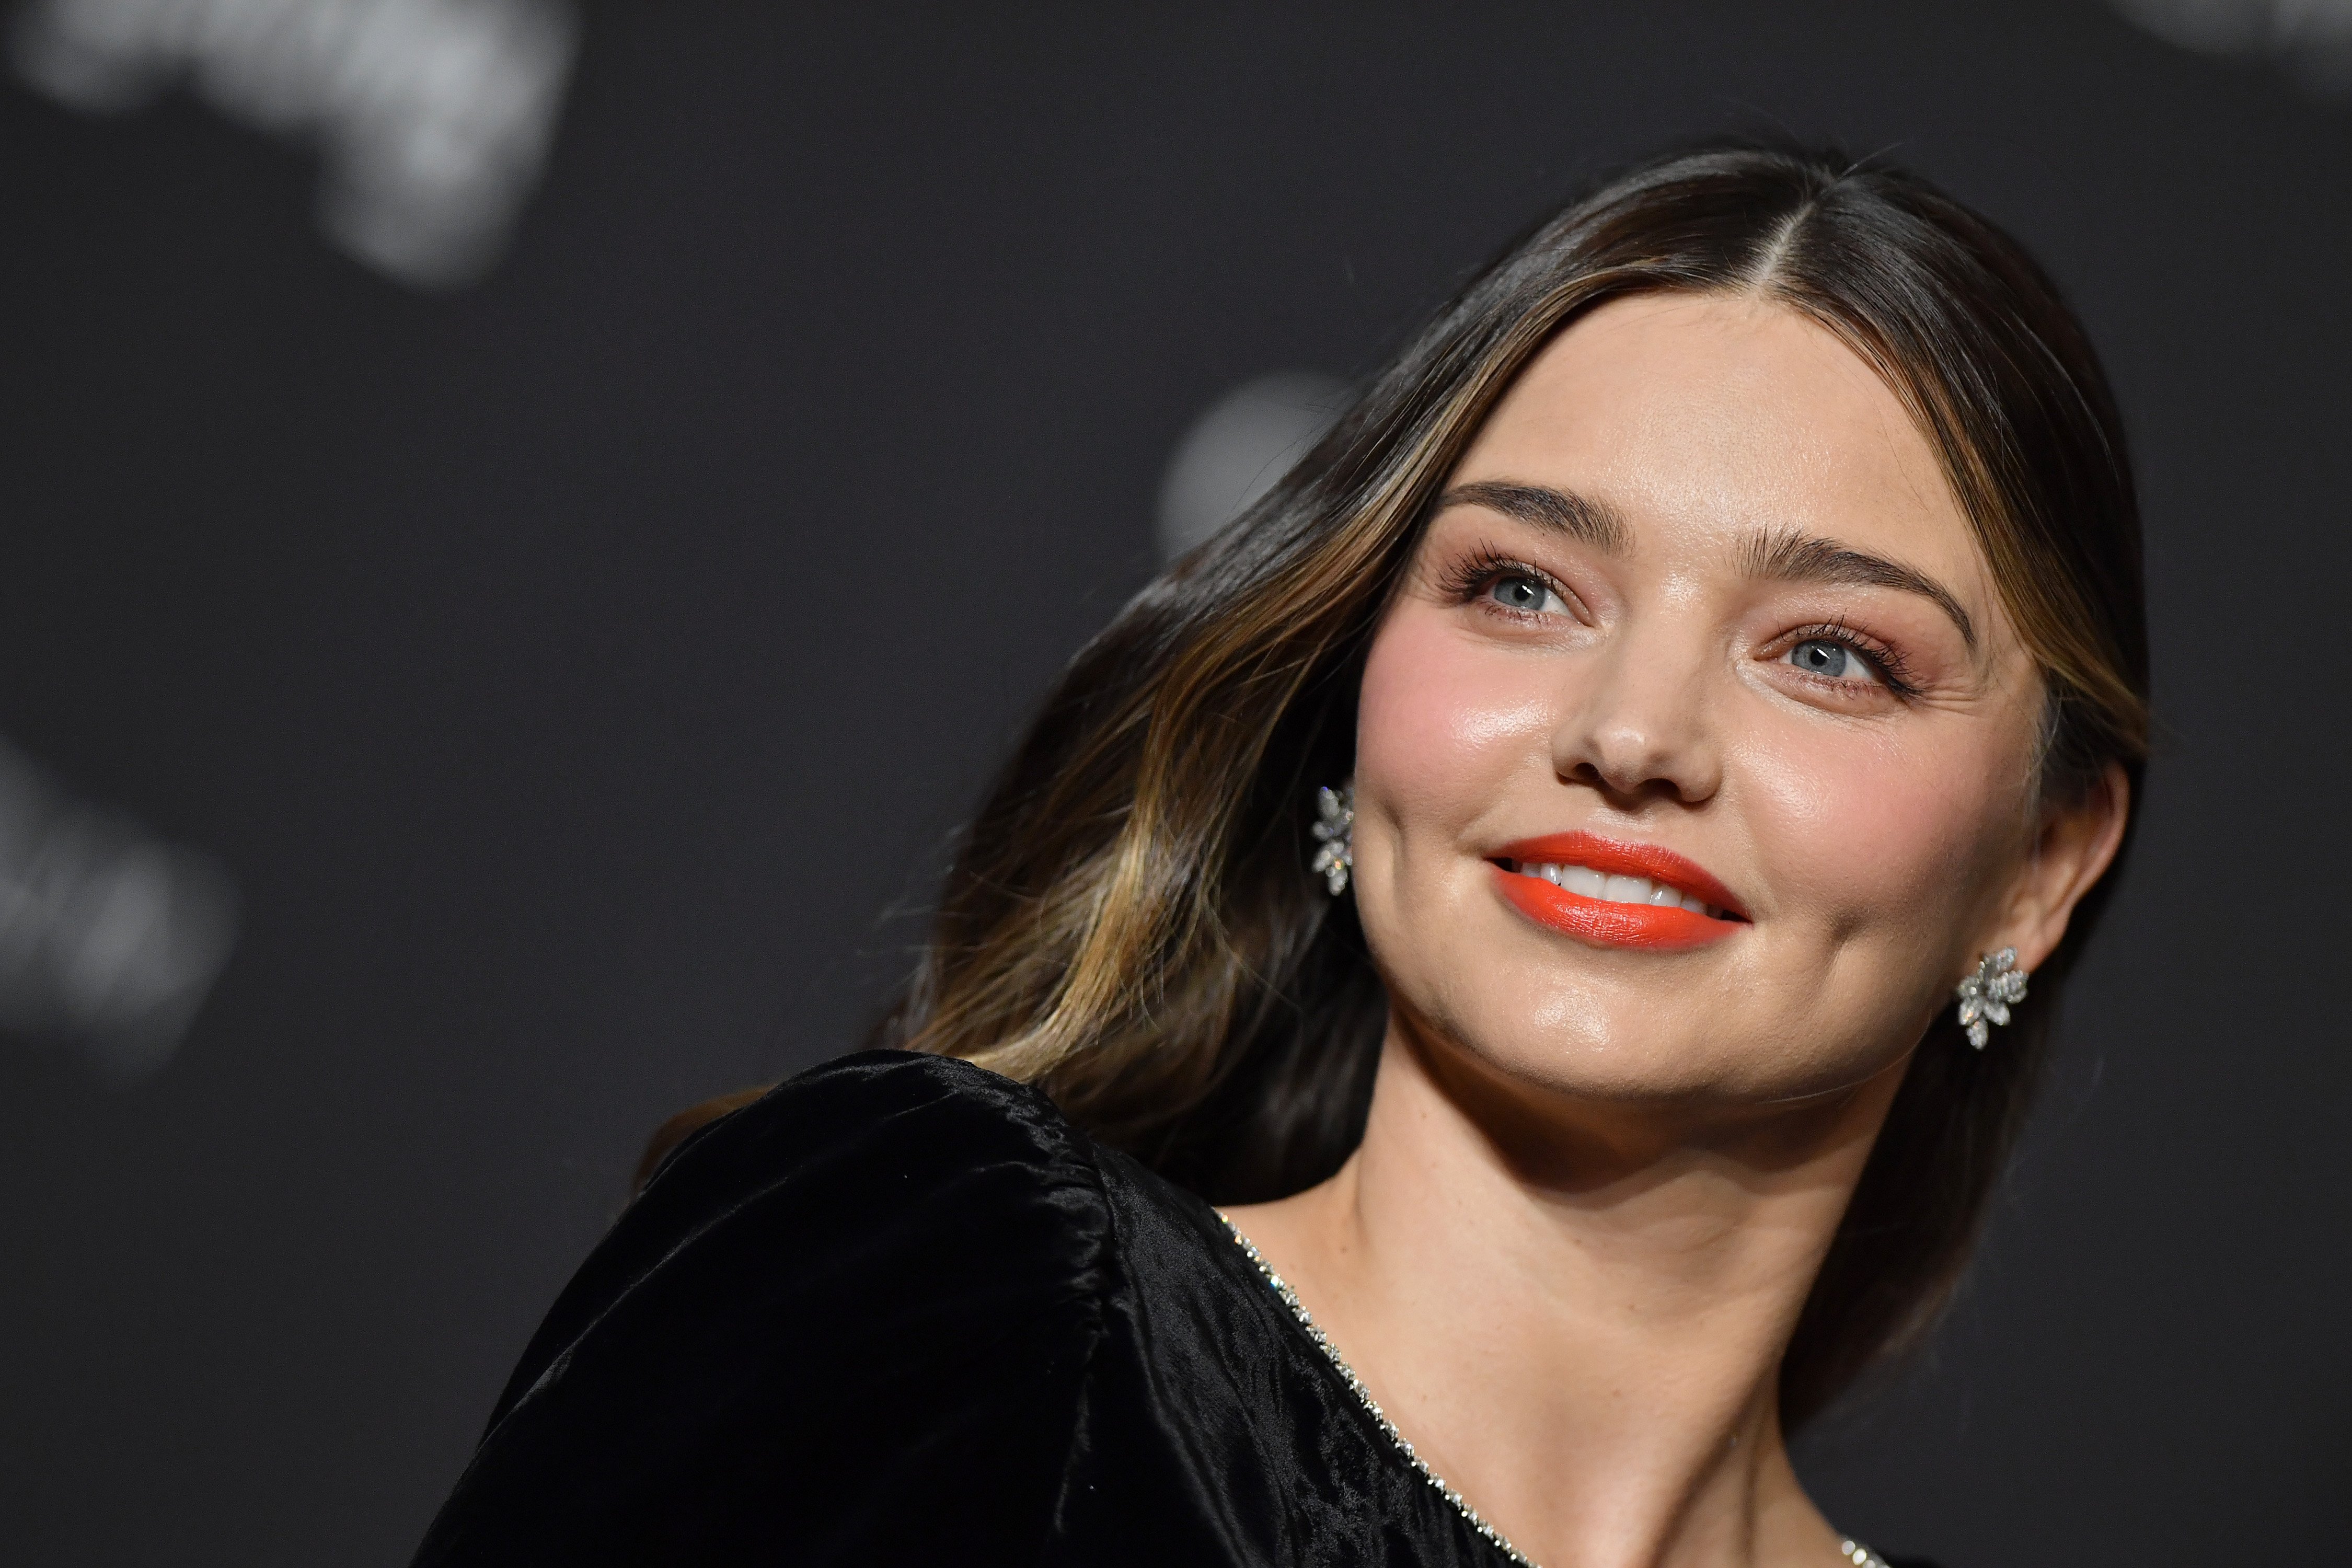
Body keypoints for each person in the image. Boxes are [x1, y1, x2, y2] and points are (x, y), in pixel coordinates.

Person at [411, 142, 2146, 1568]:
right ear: (1356, 688)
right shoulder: (962, 1303)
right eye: (1520, 589)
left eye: (1827, 653)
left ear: (2040, 866)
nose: (1633, 735)